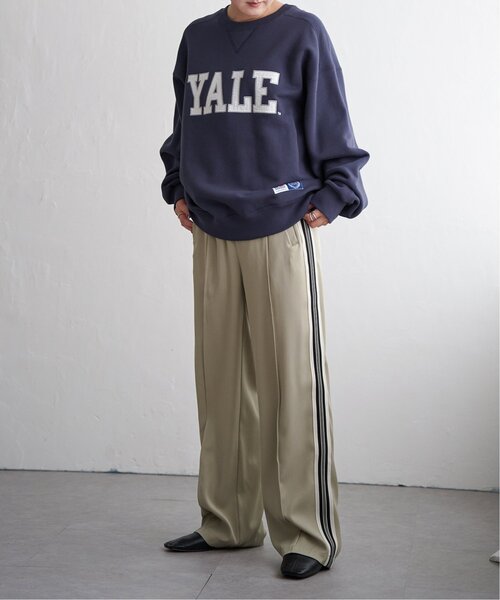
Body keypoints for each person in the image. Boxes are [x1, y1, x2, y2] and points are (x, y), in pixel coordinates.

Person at [159, 0, 369, 580]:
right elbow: (184, 124)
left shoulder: (303, 33)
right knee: (221, 382)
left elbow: (332, 120)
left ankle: (307, 534)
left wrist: (335, 193)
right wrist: (178, 184)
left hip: (281, 225)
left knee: (292, 385)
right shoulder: (198, 37)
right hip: (210, 227)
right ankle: (227, 521)